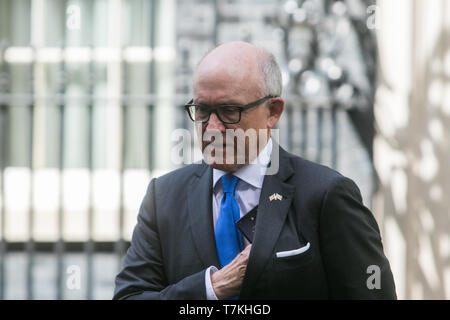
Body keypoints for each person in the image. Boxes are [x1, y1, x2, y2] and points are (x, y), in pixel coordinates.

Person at [113, 41, 396, 300]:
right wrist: (213, 287)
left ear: (273, 111)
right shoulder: (163, 197)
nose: (212, 128)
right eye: (202, 110)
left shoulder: (325, 194)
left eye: (229, 111)